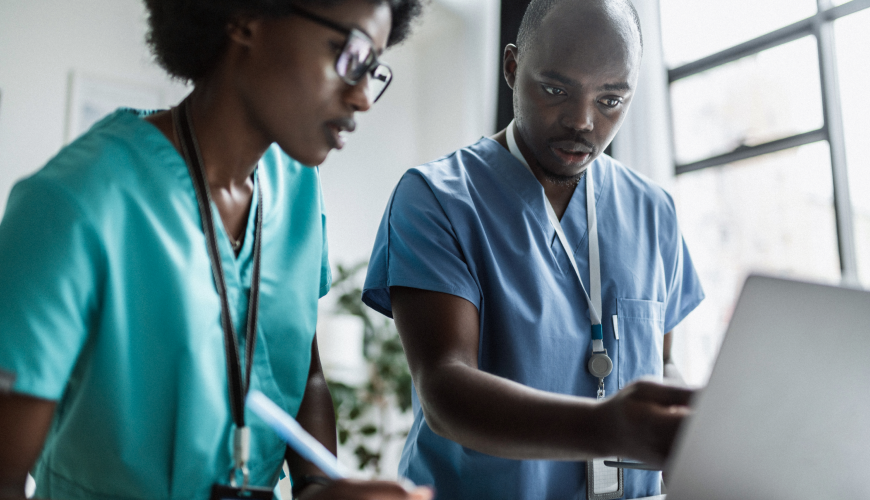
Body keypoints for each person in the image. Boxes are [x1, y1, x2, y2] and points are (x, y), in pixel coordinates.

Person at [0, 1, 432, 499]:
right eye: (350, 54)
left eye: (374, 69)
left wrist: (317, 487)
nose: (363, 98)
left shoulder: (297, 190)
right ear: (246, 16)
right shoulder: (76, 201)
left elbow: (303, 372)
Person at [361, 0, 705, 498]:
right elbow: (444, 388)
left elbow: (661, 363)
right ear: (512, 67)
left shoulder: (655, 211)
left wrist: (693, 437)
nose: (583, 121)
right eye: (556, 90)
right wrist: (607, 426)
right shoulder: (436, 198)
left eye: (611, 100)